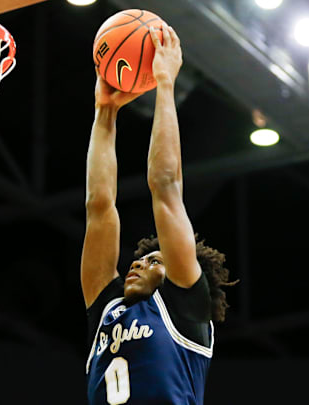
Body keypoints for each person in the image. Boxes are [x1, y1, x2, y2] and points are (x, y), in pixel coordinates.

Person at [82, 22, 237, 405]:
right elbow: (99, 208)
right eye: (140, 258)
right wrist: (105, 114)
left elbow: (166, 187)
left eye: (153, 261)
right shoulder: (109, 308)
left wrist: (165, 84)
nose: (136, 263)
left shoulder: (185, 306)